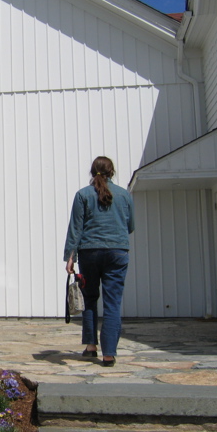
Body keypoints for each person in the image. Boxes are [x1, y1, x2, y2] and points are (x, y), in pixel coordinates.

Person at [63, 156, 135, 367]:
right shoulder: (124, 194)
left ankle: (91, 346)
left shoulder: (82, 195)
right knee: (113, 303)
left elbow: (76, 228)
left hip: (90, 252)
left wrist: (70, 256)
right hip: (117, 252)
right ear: (112, 172)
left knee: (90, 298)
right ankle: (109, 354)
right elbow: (130, 225)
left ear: (92, 171)